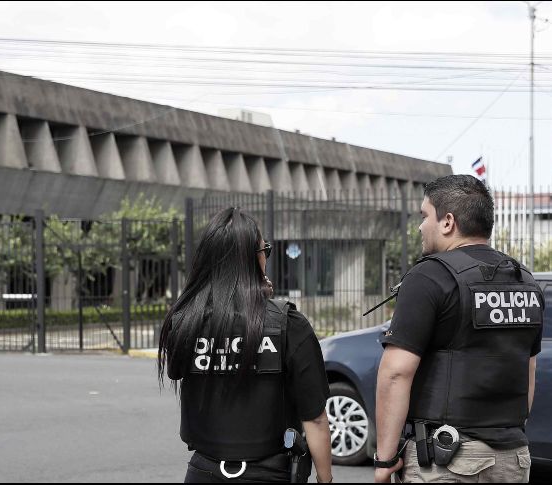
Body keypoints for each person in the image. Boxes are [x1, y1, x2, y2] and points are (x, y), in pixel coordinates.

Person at [374, 175, 544, 483]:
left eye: (425, 216)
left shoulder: (429, 276)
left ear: (448, 221)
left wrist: (384, 460)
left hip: (449, 460)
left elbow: (396, 372)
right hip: (513, 458)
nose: (420, 227)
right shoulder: (526, 282)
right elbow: (527, 370)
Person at [158, 207, 333, 483]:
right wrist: (327, 480)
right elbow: (315, 419)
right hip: (268, 473)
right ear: (253, 259)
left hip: (203, 472)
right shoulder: (287, 323)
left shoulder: (184, 322)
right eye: (265, 251)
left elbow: (178, 371)